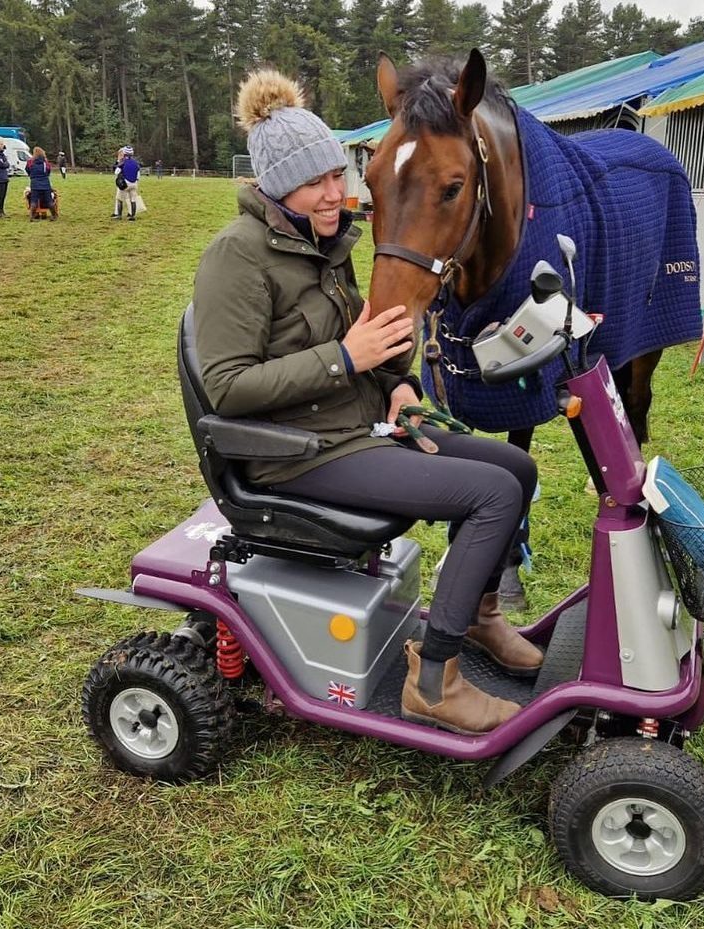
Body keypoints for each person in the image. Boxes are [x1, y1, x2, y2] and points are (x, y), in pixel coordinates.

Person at [193, 69, 543, 735]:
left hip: (358, 426)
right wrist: (344, 359)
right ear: (274, 186)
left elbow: (366, 348)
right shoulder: (235, 259)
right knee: (489, 495)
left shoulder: (327, 250)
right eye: (315, 181)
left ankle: (476, 615)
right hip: (298, 454)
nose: (335, 194)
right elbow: (228, 388)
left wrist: (395, 382)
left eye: (337, 174)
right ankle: (433, 681)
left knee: (517, 471)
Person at [113, 145, 142, 220]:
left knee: (119, 199)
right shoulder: (136, 163)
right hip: (134, 184)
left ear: (125, 153)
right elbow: (138, 175)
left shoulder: (123, 162)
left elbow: (116, 172)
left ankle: (119, 215)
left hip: (125, 184)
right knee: (133, 200)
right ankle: (132, 216)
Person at [25, 146, 54, 221]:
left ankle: (32, 217)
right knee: (49, 200)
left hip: (34, 183)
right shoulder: (45, 163)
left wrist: (32, 175)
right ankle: (54, 215)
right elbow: (48, 171)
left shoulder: (30, 162)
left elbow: (27, 169)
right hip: (45, 183)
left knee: (34, 200)